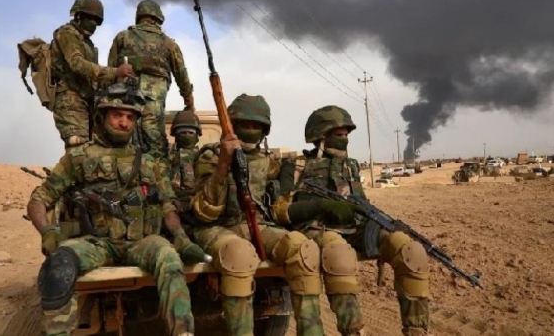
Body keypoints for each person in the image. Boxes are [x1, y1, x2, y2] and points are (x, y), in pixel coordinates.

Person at [27, 82, 202, 336]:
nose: (124, 123)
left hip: (141, 243)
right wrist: (47, 231)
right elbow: (39, 199)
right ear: (102, 116)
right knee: (58, 267)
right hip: (97, 243)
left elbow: (167, 205)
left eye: (130, 117)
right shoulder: (79, 158)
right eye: (117, 115)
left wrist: (180, 237)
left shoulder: (150, 163)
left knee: (170, 259)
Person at [188, 94, 361, 336]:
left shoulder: (266, 161)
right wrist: (223, 165)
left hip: (258, 224)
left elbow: (284, 191)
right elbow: (205, 211)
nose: (250, 130)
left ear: (264, 130)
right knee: (239, 255)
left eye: (256, 125)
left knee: (304, 250)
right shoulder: (210, 157)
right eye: (245, 124)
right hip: (217, 227)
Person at [278, 105, 430, 336]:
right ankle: (353, 330)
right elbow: (281, 211)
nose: (344, 139)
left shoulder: (351, 166)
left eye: (346, 134)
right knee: (339, 255)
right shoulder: (296, 166)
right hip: (317, 228)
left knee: (410, 250)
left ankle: (416, 329)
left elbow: (362, 205)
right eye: (338, 134)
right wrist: (320, 206)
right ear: (320, 135)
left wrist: (387, 225)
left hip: (357, 228)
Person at [108, 0, 194, 160]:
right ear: (158, 19)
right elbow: (181, 75)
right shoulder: (169, 44)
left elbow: (110, 71)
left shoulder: (123, 37)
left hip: (124, 99)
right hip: (153, 101)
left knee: (122, 140)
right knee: (154, 145)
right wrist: (189, 101)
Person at [50, 0, 133, 149]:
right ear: (79, 16)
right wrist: (115, 72)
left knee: (93, 149)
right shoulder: (66, 33)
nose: (94, 23)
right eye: (90, 18)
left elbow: (93, 75)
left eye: (97, 20)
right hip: (71, 100)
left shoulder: (87, 43)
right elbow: (77, 64)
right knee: (78, 148)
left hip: (88, 101)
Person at [168, 110, 202, 207]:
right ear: (176, 136)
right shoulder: (168, 156)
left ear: (197, 136)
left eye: (191, 132)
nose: (187, 135)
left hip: (196, 203)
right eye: (182, 132)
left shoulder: (203, 156)